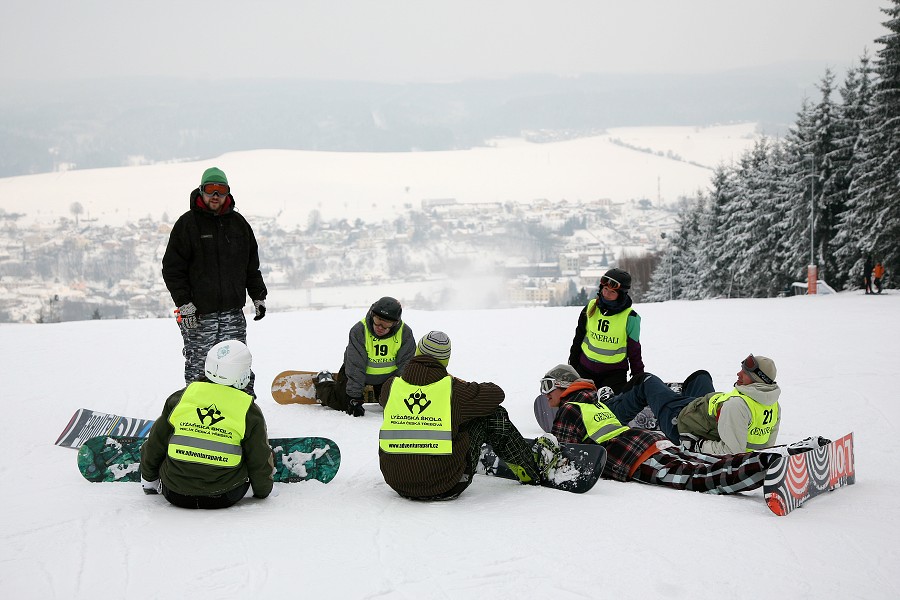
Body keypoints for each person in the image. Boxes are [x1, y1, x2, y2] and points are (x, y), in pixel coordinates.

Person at [537, 364, 825, 495]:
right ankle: (795, 451)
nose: (546, 395)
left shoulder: (569, 410)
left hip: (635, 457)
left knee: (701, 476)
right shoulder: (594, 405)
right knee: (708, 463)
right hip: (652, 442)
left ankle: (769, 465)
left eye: (548, 387)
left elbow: (567, 459)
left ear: (564, 387)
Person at [378, 331, 556, 500]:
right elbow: (496, 394)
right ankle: (530, 470)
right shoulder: (454, 391)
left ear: (416, 353)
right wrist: (458, 382)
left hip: (397, 482)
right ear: (445, 361)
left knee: (453, 417)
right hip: (446, 485)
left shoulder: (391, 387)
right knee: (493, 414)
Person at [161, 167, 268, 397]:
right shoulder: (187, 225)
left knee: (238, 365)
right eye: (211, 189)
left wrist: (258, 296)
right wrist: (185, 304)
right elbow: (172, 270)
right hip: (199, 316)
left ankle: (244, 413)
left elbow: (251, 266)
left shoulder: (239, 225)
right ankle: (196, 414)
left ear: (228, 193)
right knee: (199, 368)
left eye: (221, 190)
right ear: (201, 191)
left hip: (232, 314)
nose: (216, 195)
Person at [140, 340, 274, 509]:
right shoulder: (248, 410)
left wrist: (149, 479)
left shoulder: (180, 399)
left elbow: (155, 444)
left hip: (175, 493)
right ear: (243, 374)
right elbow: (258, 459)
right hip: (225, 495)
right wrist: (263, 491)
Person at [598, 354, 781, 455]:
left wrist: (697, 446)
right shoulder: (772, 406)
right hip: (701, 412)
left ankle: (610, 410)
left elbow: (732, 451)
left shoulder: (738, 407)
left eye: (745, 373)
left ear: (757, 380)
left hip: (682, 423)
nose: (738, 374)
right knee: (701, 376)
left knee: (645, 381)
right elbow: (766, 447)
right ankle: (666, 399)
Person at [315, 296, 415, 417]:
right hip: (356, 374)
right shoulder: (359, 331)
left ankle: (378, 393)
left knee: (392, 404)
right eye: (378, 321)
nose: (380, 328)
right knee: (341, 404)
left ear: (395, 323)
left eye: (386, 324)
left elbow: (405, 366)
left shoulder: (405, 333)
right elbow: (355, 366)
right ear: (372, 315)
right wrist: (354, 398)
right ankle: (325, 382)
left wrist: (401, 393)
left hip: (387, 378)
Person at [568, 267, 644, 393]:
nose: (607, 294)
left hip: (614, 375)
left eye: (612, 292)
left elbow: (634, 351)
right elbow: (579, 337)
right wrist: (572, 366)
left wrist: (638, 378)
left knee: (610, 407)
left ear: (621, 295)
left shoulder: (631, 317)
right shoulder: (591, 307)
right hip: (585, 369)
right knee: (580, 403)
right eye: (605, 289)